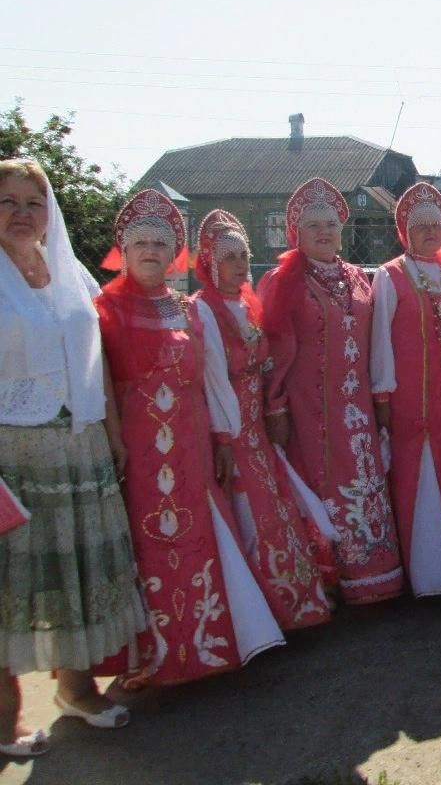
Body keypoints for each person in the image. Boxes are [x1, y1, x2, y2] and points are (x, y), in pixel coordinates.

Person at [95, 189, 284, 688]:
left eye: (161, 241)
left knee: (203, 532)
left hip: (193, 442)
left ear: (174, 250)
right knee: (148, 539)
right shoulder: (104, 310)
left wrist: (224, 438)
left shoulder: (187, 309)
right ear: (125, 251)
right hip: (140, 450)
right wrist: (113, 442)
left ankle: (210, 642)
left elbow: (213, 379)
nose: (152, 250)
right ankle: (155, 654)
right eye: (141, 243)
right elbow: (100, 389)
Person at [0, 160, 144, 755]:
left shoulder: (69, 272)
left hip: (81, 445)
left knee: (80, 574)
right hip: (14, 455)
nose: (21, 213)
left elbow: (98, 359)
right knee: (15, 585)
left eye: (33, 202)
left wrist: (112, 432)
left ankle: (76, 690)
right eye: (7, 201)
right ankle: (3, 721)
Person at [259, 178, 403, 604]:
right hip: (309, 411)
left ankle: (370, 574)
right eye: (313, 225)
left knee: (362, 480)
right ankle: (327, 579)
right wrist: (276, 407)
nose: (324, 232)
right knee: (318, 484)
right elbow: (271, 350)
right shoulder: (281, 280)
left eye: (332, 224)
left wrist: (380, 402)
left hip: (356, 408)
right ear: (296, 232)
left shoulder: (358, 278)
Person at [191, 210, 333, 630]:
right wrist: (224, 438)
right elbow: (214, 381)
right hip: (232, 432)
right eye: (229, 257)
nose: (239, 265)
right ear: (209, 263)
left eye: (243, 255)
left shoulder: (248, 306)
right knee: (249, 516)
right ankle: (260, 614)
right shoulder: (203, 312)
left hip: (258, 430)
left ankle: (294, 603)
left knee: (277, 512)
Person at [370, 183, 441, 597]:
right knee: (418, 477)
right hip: (410, 402)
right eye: (421, 226)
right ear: (406, 232)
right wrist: (383, 397)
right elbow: (380, 339)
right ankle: (426, 578)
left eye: (436, 224)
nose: (430, 231)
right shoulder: (389, 276)